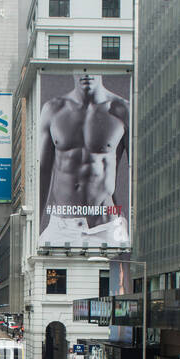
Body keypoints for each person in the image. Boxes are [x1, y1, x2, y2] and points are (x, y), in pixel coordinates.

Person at [38, 74, 130, 245]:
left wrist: (133, 228)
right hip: (61, 226)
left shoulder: (122, 109)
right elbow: (41, 172)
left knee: (120, 272)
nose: (86, 74)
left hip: (106, 225)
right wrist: (34, 230)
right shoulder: (53, 109)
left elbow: (137, 174)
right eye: (81, 68)